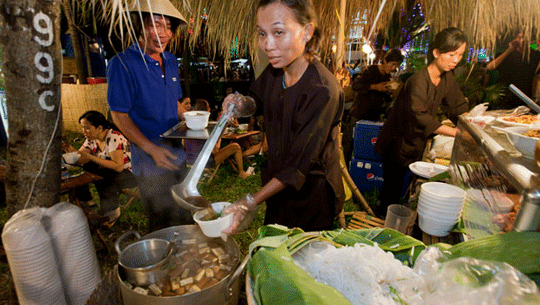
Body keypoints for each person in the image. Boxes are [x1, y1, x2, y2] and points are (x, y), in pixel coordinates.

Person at [222, 0, 345, 236]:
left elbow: (298, 164)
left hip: (312, 198)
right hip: (277, 188)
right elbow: (255, 100)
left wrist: (249, 201)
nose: (267, 45)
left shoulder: (322, 90)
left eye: (278, 32)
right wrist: (240, 104)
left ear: (307, 32)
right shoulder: (275, 71)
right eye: (262, 34)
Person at [106, 0, 194, 232]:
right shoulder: (122, 64)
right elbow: (119, 114)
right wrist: (151, 148)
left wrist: (195, 120)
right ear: (139, 26)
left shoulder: (171, 61)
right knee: (162, 224)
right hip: (151, 163)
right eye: (153, 25)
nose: (161, 33)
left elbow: (172, 101)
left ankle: (187, 263)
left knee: (185, 216)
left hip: (178, 155)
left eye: (167, 27)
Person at [374, 27, 470, 218]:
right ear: (436, 53)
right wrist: (458, 134)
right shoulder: (418, 81)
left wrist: (472, 123)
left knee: (405, 188)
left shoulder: (447, 78)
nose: (456, 60)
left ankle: (395, 216)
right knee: (391, 190)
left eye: (459, 54)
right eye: (451, 54)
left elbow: (457, 106)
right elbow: (420, 116)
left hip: (415, 142)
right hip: (397, 142)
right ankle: (381, 221)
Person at [73, 111, 137, 227]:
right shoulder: (91, 138)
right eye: (82, 128)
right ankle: (88, 204)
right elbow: (80, 157)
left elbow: (118, 166)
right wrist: (72, 154)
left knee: (104, 175)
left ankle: (112, 212)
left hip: (130, 174)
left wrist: (90, 157)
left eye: (87, 128)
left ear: (99, 128)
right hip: (109, 172)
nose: (84, 132)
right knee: (85, 169)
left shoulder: (114, 137)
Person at [342, 48, 404, 165]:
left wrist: (390, 93)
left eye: (396, 66)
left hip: (373, 118)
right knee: (349, 145)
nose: (393, 68)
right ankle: (344, 171)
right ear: (385, 60)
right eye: (393, 64)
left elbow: (384, 99)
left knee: (364, 147)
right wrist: (375, 87)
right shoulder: (371, 70)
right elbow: (356, 86)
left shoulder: (387, 78)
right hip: (358, 114)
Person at [184, 99, 254, 179]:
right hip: (203, 163)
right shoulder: (206, 127)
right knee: (236, 146)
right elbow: (215, 150)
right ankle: (241, 173)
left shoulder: (189, 125)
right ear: (208, 111)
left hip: (189, 161)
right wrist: (219, 137)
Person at [486, 33, 540, 109]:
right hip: (504, 98)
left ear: (530, 41)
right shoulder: (505, 54)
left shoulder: (535, 55)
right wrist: (509, 50)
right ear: (515, 39)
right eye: (520, 37)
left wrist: (533, 98)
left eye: (526, 38)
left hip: (523, 98)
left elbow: (535, 76)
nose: (523, 40)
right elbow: (490, 67)